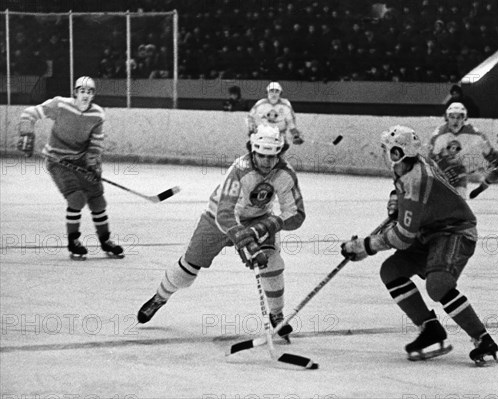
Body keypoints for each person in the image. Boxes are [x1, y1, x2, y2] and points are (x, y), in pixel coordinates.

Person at [340, 125, 498, 366]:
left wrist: (365, 246)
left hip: (453, 230)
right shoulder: (408, 165)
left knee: (438, 286)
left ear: (397, 153)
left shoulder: (416, 179)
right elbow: (408, 203)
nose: (385, 153)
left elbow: (404, 237)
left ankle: (483, 339)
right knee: (392, 271)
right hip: (428, 230)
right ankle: (431, 329)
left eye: (387, 149)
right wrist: (397, 199)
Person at [137, 124, 306, 340]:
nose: (267, 162)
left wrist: (264, 227)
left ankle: (276, 315)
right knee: (188, 268)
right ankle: (160, 297)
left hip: (257, 219)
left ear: (280, 153)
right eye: (262, 156)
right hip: (217, 218)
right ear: (253, 150)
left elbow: (296, 214)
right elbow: (225, 214)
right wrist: (245, 240)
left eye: (272, 156)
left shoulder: (285, 174)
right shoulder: (239, 170)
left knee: (272, 263)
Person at [16, 76, 124, 260]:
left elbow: (95, 143)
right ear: (75, 92)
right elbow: (30, 113)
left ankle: (105, 240)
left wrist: (93, 164)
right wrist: (26, 131)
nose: (86, 95)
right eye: (82, 91)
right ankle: (73, 241)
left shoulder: (97, 114)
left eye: (90, 92)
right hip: (57, 161)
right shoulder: (60, 105)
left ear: (93, 95)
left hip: (81, 161)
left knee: (98, 200)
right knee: (76, 199)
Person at [429, 103, 498, 199]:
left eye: (459, 117)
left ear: (465, 118)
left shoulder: (476, 134)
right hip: (440, 173)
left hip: (460, 172)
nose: (455, 121)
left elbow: (490, 154)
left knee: (460, 201)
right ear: (447, 118)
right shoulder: (438, 135)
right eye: (452, 117)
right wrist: (442, 169)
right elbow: (429, 158)